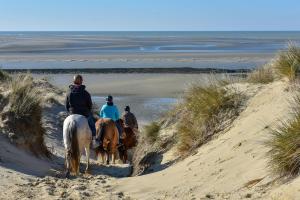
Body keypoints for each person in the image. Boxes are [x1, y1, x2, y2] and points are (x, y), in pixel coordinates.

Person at [65, 74, 99, 148]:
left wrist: (70, 112)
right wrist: (88, 112)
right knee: (92, 125)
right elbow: (89, 105)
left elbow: (66, 105)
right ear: (81, 82)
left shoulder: (68, 92)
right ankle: (94, 140)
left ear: (73, 81)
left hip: (72, 113)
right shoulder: (86, 93)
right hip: (83, 113)